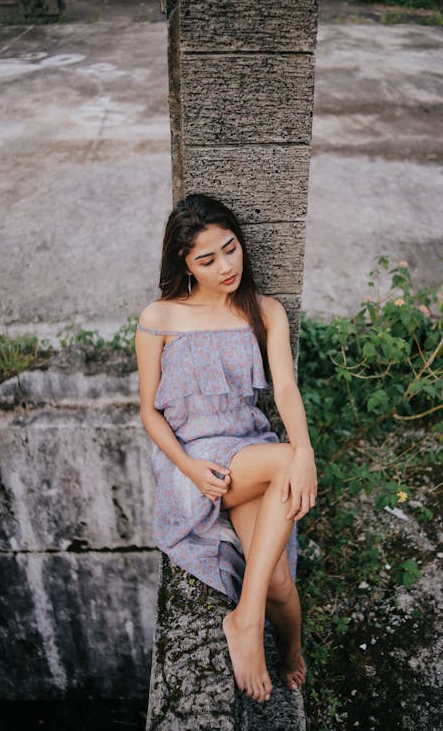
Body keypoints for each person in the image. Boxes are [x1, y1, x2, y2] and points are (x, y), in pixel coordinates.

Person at [135, 193, 318, 705]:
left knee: (281, 580)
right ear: (185, 265)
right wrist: (191, 468)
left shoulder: (265, 310)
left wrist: (300, 452)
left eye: (230, 249)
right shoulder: (160, 317)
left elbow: (284, 390)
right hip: (198, 462)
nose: (226, 266)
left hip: (251, 452)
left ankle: (289, 646)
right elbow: (150, 411)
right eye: (207, 259)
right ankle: (245, 620)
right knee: (288, 459)